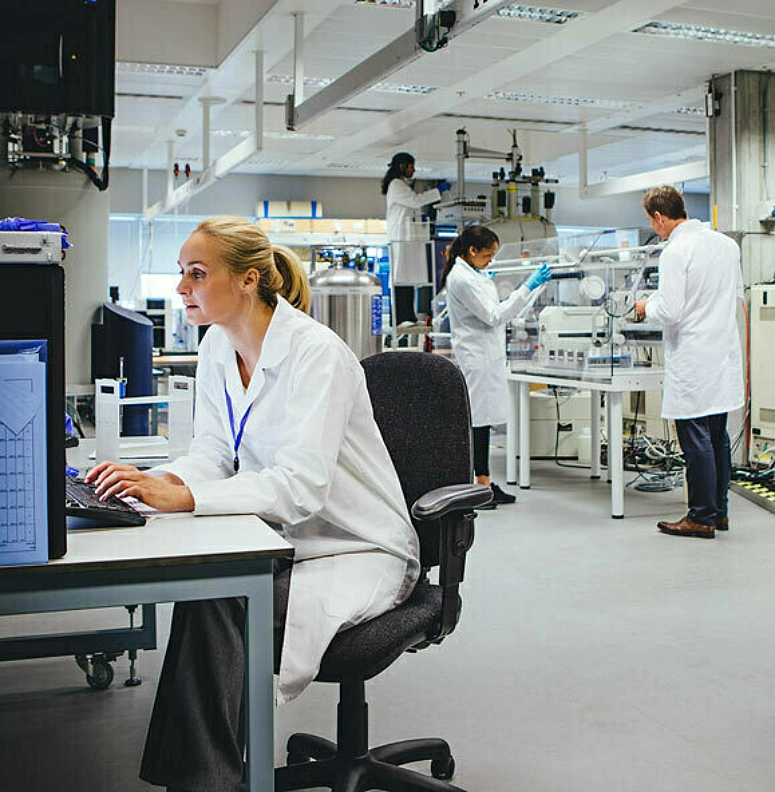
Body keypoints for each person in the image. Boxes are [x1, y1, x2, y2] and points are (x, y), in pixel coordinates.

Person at [86, 215, 420, 791]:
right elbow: (214, 454)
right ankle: (206, 777)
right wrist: (152, 479)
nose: (182, 288)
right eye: (181, 273)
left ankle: (206, 780)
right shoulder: (218, 345)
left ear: (248, 280)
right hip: (284, 536)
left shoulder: (316, 354)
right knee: (208, 582)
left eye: (197, 273)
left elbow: (302, 486)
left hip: (352, 544)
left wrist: (187, 497)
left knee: (220, 594)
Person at [634, 185, 744, 539]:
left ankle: (700, 517)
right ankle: (719, 511)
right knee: (717, 437)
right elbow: (738, 300)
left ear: (660, 217)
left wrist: (644, 307)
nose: (654, 228)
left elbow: (670, 311)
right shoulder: (727, 245)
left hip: (694, 359)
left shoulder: (676, 250)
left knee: (695, 439)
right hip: (723, 356)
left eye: (653, 222)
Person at [441, 224, 552, 507]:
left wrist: (486, 279)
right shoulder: (462, 279)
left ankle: (484, 483)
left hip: (486, 357)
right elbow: (494, 315)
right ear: (471, 251)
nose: (490, 260)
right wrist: (527, 286)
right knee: (477, 423)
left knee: (484, 422)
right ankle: (478, 486)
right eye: (487, 255)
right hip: (476, 359)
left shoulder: (472, 274)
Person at [382, 151, 451, 327]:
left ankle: (409, 316)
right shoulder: (396, 185)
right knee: (401, 278)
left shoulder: (402, 185)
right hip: (401, 238)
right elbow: (415, 201)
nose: (414, 170)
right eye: (411, 166)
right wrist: (438, 191)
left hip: (408, 239)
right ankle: (401, 317)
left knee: (408, 278)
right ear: (402, 166)